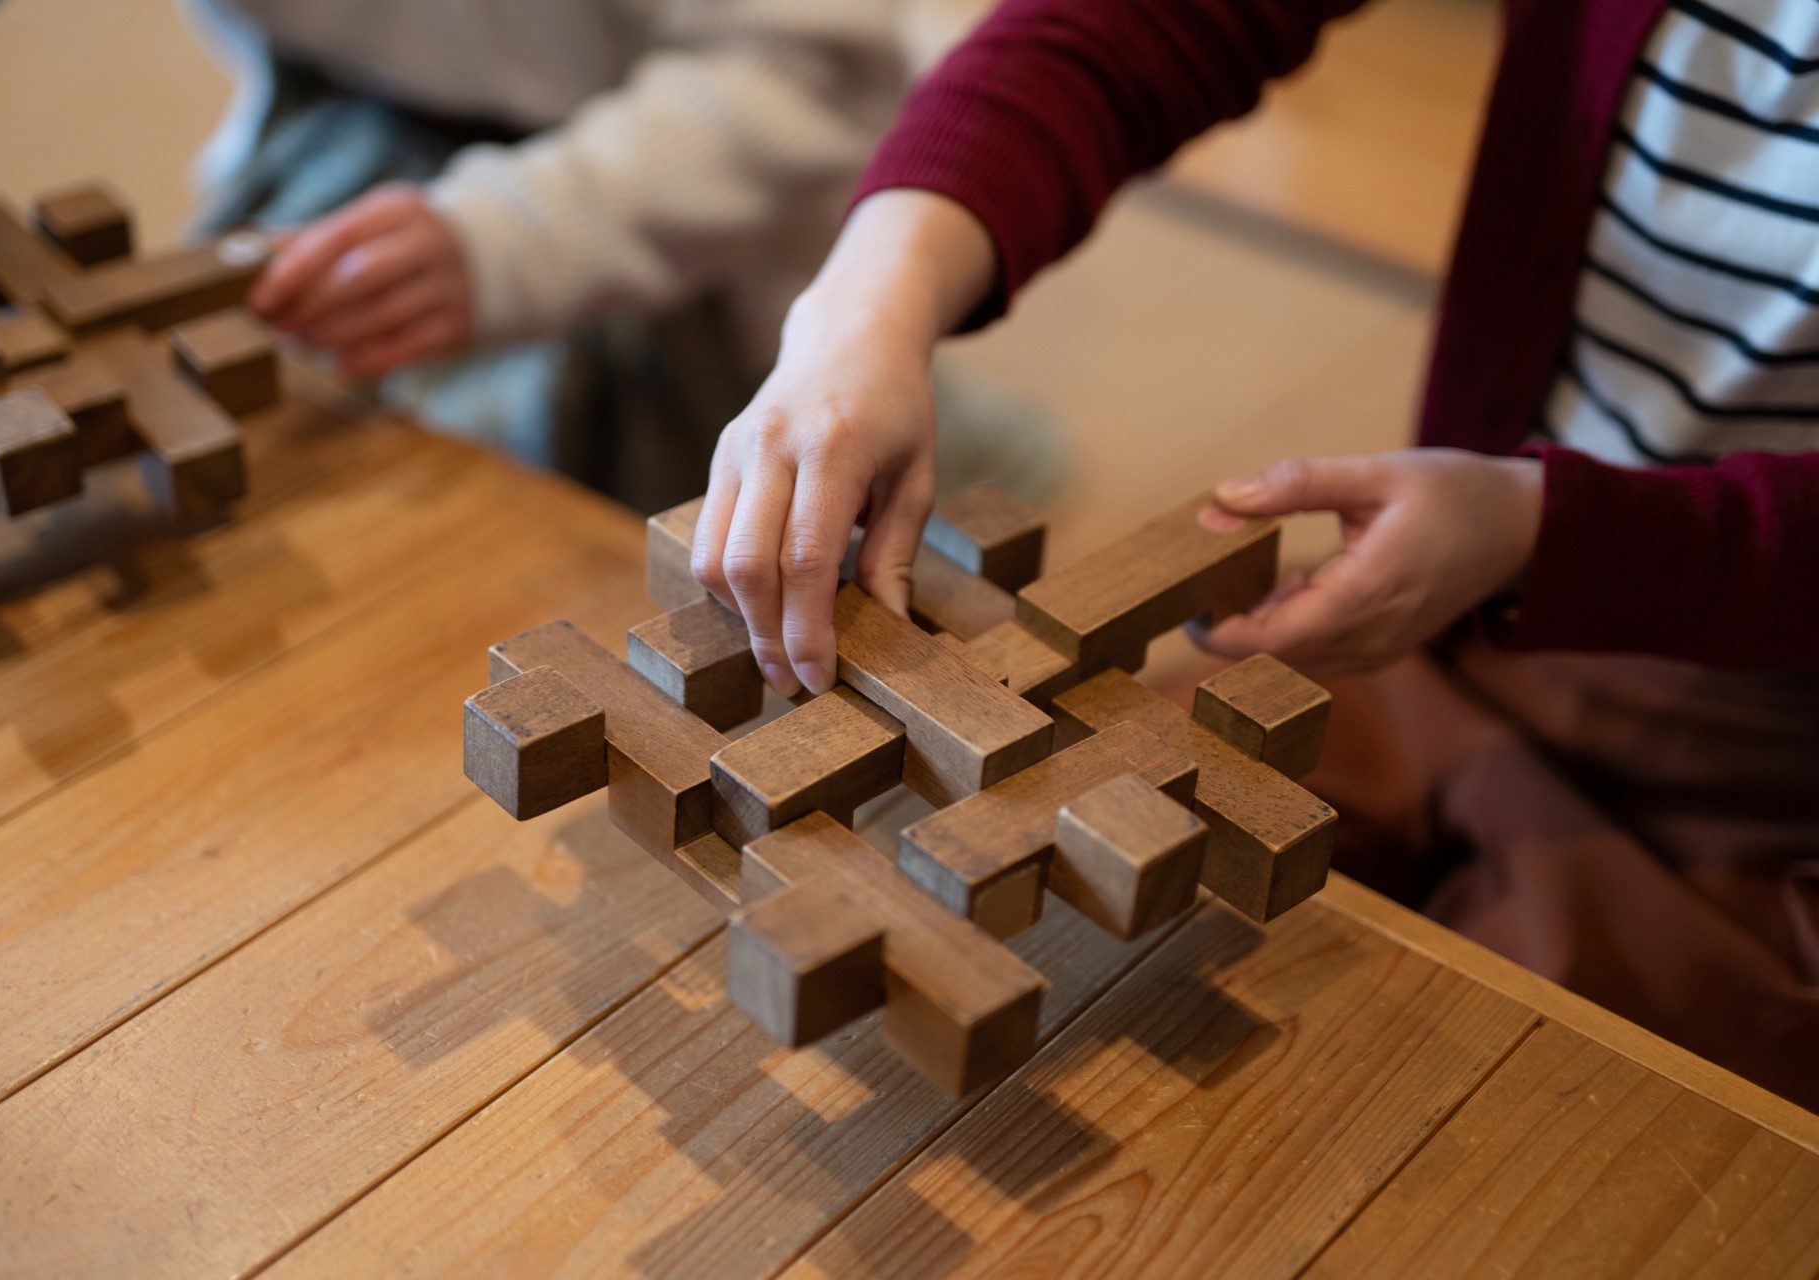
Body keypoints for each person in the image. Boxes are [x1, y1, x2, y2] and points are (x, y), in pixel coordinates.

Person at [692, 0, 1819, 1106]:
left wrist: (1547, 532)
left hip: (1770, 745)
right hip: (1454, 606)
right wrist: (859, 310)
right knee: (1106, 929)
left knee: (1455, 1114)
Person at [0, 0, 904, 510]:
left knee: (560, 554)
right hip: (337, 118)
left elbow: (823, 72)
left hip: (648, 184)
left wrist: (520, 236)